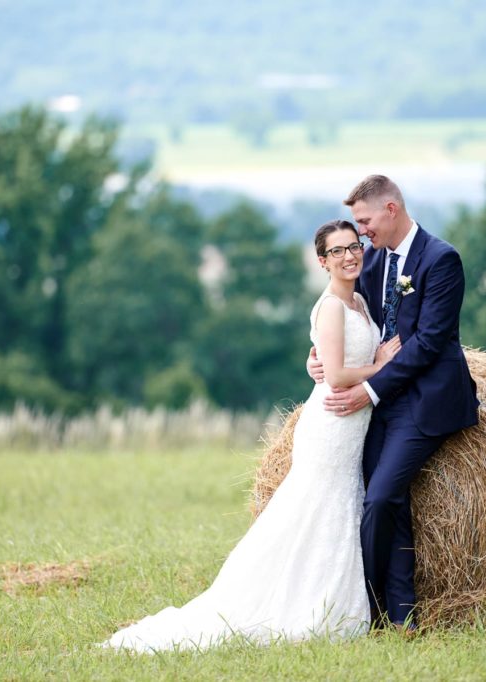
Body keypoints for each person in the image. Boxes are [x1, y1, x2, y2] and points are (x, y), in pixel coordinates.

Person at [100, 220, 401, 653]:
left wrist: (348, 361)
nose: (349, 256)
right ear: (322, 261)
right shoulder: (331, 307)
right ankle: (298, 605)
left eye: (354, 247)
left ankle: (326, 598)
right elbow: (335, 376)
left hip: (352, 426)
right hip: (331, 425)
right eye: (337, 251)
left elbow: (331, 360)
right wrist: (383, 365)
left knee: (334, 509)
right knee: (318, 508)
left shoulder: (359, 302)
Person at [308, 175, 479, 630]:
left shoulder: (440, 259)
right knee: (389, 500)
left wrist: (369, 389)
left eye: (365, 222)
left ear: (391, 209)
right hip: (379, 405)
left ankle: (367, 601)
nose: (361, 234)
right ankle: (400, 616)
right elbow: (342, 314)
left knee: (381, 497)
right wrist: (317, 356)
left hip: (424, 401)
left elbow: (428, 343)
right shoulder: (374, 260)